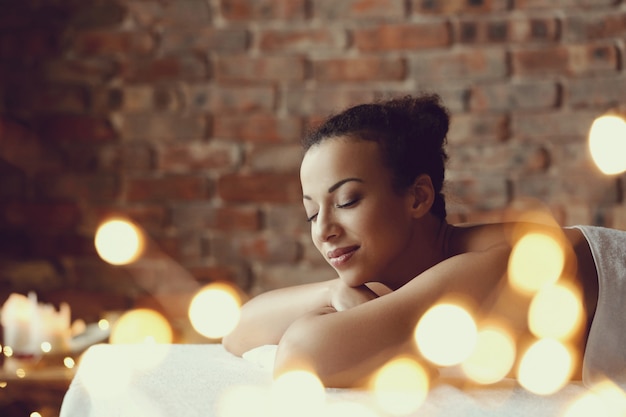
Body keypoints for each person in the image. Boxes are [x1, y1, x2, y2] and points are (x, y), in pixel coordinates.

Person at [223, 93, 625, 389]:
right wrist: (334, 291)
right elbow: (238, 329)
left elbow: (303, 356)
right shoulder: (410, 272)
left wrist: (338, 299)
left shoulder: (500, 264)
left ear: (418, 197)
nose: (323, 228)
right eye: (312, 212)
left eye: (347, 201)